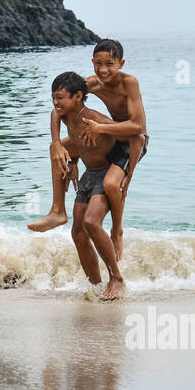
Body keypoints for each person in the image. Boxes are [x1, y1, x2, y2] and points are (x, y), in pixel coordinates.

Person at [29, 38, 148, 261]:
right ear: (92, 62)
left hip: (132, 139)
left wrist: (101, 128)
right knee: (59, 149)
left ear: (121, 63)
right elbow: (59, 108)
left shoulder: (129, 82)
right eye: (98, 63)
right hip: (106, 132)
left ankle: (117, 231)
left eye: (110, 64)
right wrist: (62, 149)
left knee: (112, 183)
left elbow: (137, 127)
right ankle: (57, 210)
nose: (103, 70)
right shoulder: (90, 84)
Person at [48, 71, 125, 300]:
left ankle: (117, 279)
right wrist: (72, 161)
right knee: (78, 231)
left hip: (107, 172)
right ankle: (97, 287)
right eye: (53, 97)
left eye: (60, 97)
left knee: (92, 222)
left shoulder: (95, 118)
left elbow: (135, 138)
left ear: (78, 96)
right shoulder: (66, 116)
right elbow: (75, 138)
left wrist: (125, 175)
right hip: (89, 175)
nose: (55, 102)